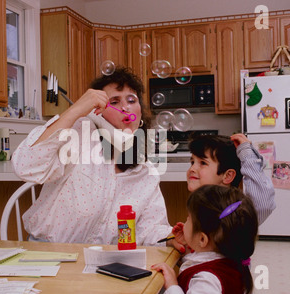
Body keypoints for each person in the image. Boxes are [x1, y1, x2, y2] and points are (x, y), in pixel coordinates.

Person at [11, 66, 182, 250]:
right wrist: (77, 109)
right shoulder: (79, 137)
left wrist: (171, 237)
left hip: (102, 262)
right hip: (48, 255)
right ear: (97, 111)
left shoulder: (145, 171)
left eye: (131, 100)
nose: (125, 107)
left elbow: (149, 229)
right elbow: (25, 165)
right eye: (114, 101)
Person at [152, 184, 258, 294]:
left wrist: (172, 286)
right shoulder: (230, 260)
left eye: (188, 218)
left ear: (202, 239)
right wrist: (189, 243)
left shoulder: (207, 280)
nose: (185, 221)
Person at [187, 133, 275, 225]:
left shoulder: (235, 214)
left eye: (203, 163)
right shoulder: (199, 205)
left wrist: (247, 153)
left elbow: (263, 204)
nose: (192, 169)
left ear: (228, 176)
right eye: (192, 162)